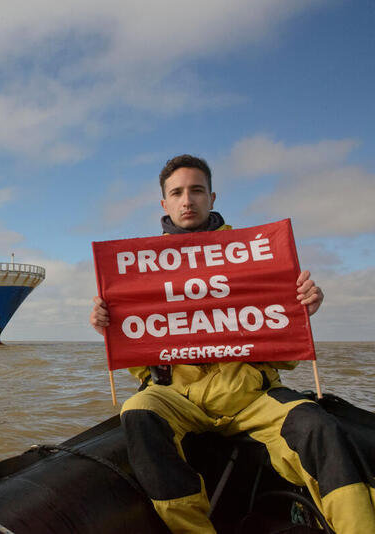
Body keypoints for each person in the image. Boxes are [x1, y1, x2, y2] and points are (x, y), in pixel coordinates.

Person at [89, 155, 375, 534]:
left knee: (318, 427)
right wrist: (111, 328)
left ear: (212, 196)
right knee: (138, 410)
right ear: (164, 203)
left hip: (250, 396)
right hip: (179, 396)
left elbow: (285, 355)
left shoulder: (258, 253)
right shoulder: (137, 267)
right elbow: (144, 361)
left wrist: (302, 310)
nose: (187, 200)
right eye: (177, 192)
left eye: (196, 190)